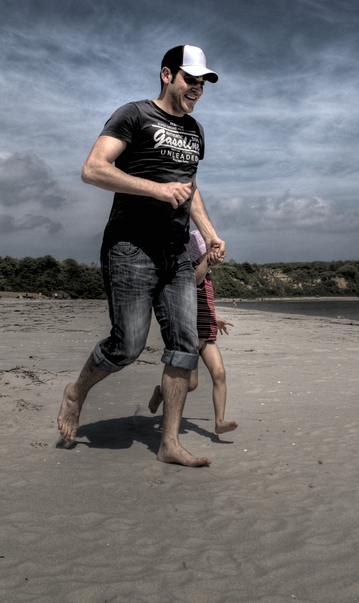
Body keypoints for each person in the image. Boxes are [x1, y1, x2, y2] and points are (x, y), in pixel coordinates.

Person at [56, 45, 225, 467]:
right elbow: (93, 168)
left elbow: (190, 186)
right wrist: (156, 189)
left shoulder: (196, 132)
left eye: (203, 83)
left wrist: (209, 232)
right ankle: (76, 391)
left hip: (177, 252)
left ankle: (169, 442)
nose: (198, 89)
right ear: (168, 75)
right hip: (130, 248)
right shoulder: (132, 115)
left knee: (185, 347)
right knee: (127, 346)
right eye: (191, 79)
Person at [148, 230, 237, 435]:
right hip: (191, 336)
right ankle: (161, 391)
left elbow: (203, 304)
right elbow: (195, 281)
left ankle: (219, 421)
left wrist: (217, 320)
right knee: (190, 384)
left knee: (220, 374)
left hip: (208, 333)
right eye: (205, 253)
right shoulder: (189, 275)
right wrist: (206, 259)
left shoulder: (208, 277)